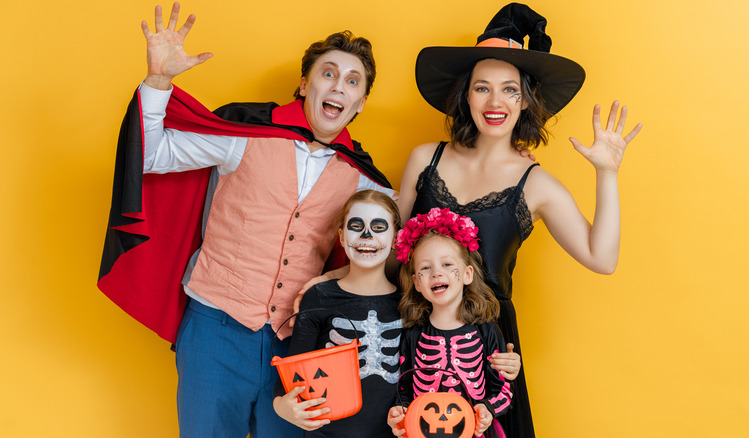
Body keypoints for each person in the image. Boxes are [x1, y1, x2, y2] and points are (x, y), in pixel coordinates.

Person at [97, 3, 394, 438]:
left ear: (361, 102)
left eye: (353, 81)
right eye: (328, 73)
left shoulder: (365, 180)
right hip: (215, 329)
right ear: (305, 83)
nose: (339, 86)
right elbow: (153, 154)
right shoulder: (245, 135)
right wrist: (158, 79)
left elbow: (392, 252)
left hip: (299, 344)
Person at [397, 3, 643, 437]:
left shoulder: (537, 184)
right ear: (464, 95)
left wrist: (607, 173)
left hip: (489, 355)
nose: (495, 102)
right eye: (482, 88)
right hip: (412, 336)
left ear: (526, 100)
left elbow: (602, 258)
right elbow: (385, 251)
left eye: (510, 90)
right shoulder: (424, 158)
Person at [273, 190, 403, 437]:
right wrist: (280, 404)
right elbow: (293, 369)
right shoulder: (319, 296)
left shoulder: (408, 301)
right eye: (357, 226)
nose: (367, 235)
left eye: (378, 227)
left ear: (395, 238)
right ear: (342, 237)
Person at [388, 208, 512, 438]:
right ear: (416, 282)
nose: (436, 272)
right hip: (423, 431)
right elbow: (403, 389)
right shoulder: (412, 333)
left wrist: (488, 409)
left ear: (467, 274)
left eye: (446, 264)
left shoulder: (487, 330)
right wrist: (400, 411)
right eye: (425, 268)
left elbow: (503, 389)